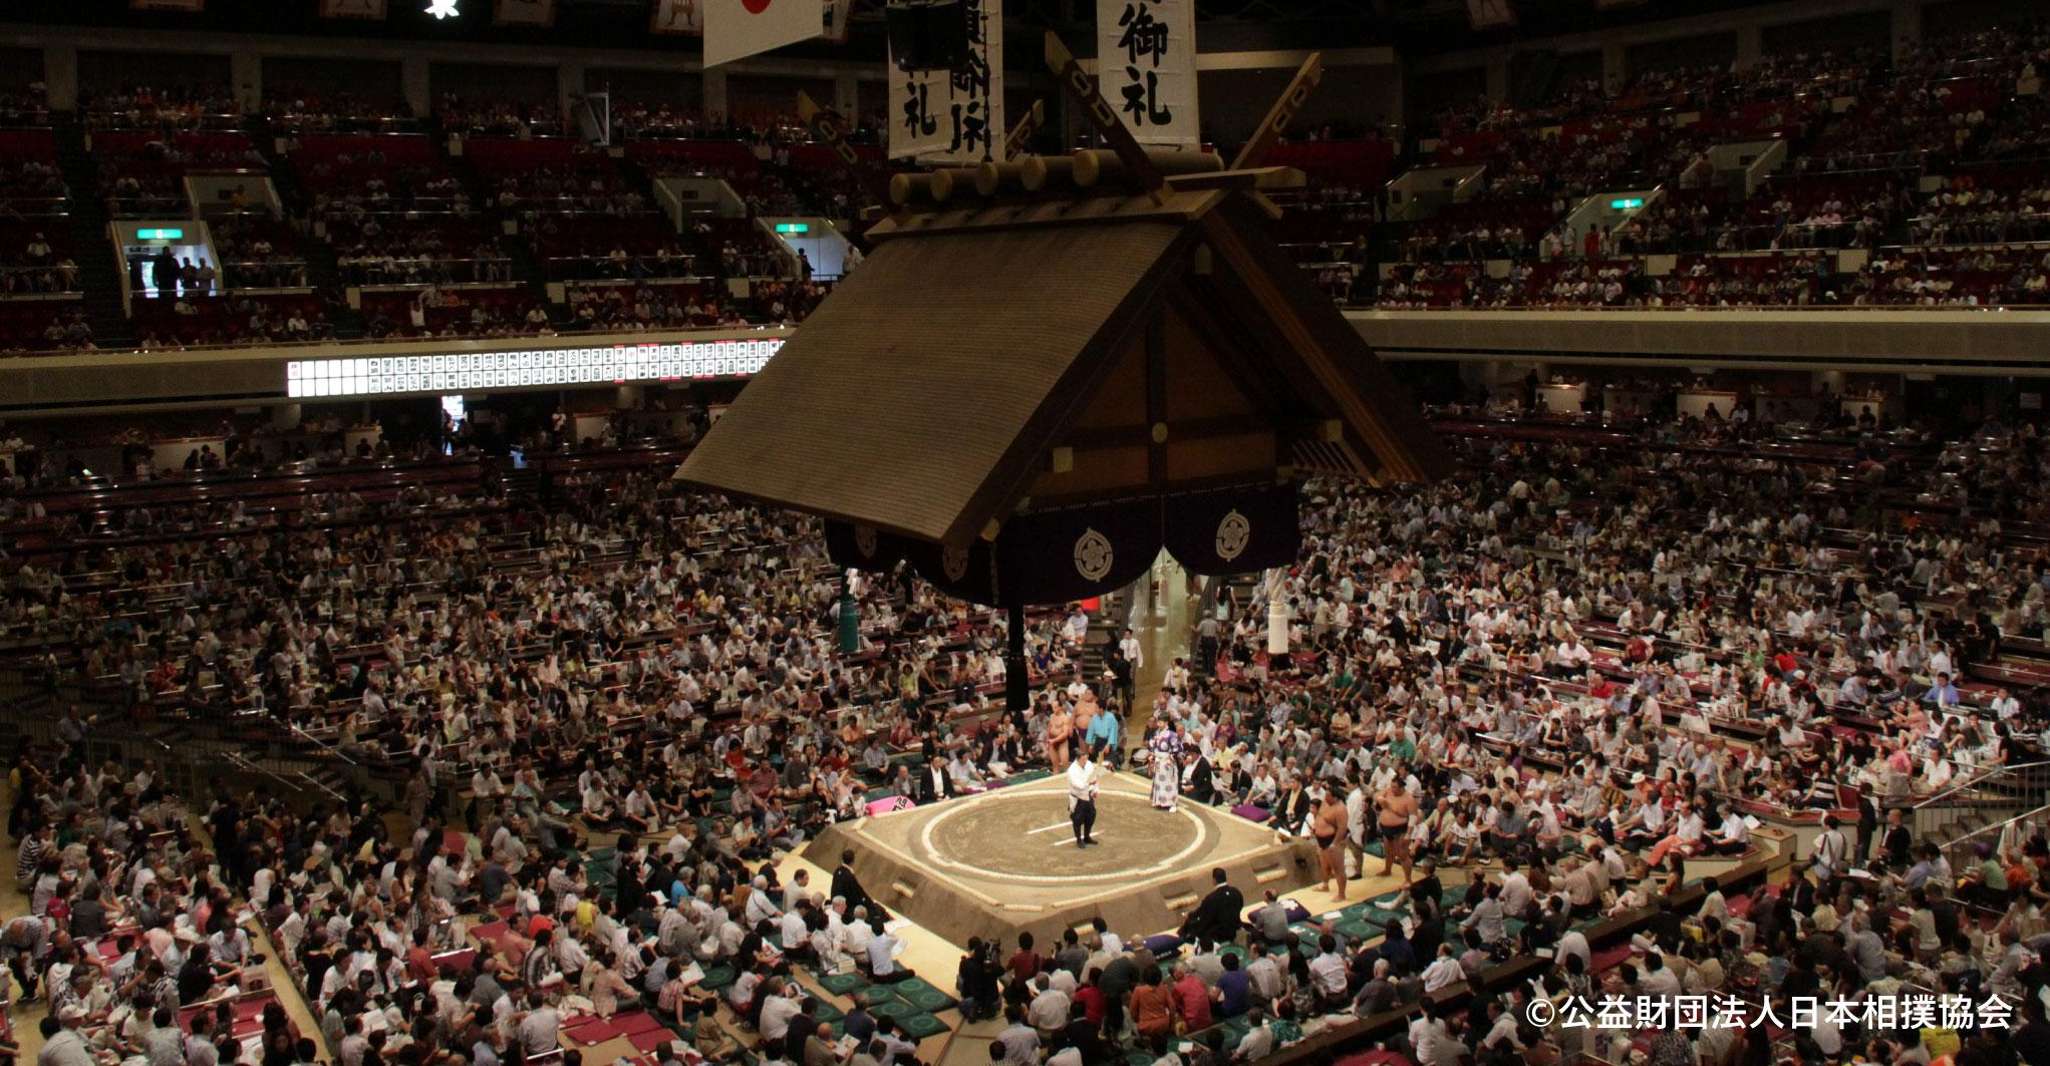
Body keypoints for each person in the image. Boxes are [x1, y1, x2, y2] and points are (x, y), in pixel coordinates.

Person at [1181, 868, 1245, 946]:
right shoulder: (1236, 892)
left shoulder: (1211, 898)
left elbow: (1203, 915)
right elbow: (1241, 905)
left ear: (1214, 880)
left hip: (1218, 933)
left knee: (1190, 926)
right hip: (1235, 926)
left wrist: (1190, 916)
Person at [1313, 782, 1350, 900]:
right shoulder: (1325, 802)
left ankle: (1341, 894)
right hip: (1321, 840)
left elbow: (1342, 828)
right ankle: (1325, 885)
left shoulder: (1340, 809)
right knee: (1324, 864)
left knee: (1338, 868)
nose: (1325, 797)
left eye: (1328, 796)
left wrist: (1335, 843)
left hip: (1333, 840)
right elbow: (1319, 816)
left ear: (1335, 797)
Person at [1067, 743, 1101, 848]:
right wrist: (1089, 783)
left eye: (1086, 758)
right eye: (1083, 759)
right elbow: (1079, 785)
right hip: (1078, 798)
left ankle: (1087, 837)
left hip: (1088, 796)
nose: (1086, 761)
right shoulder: (1072, 770)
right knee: (1077, 820)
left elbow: (1095, 777)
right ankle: (1078, 839)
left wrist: (1095, 790)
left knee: (1091, 817)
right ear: (1077, 759)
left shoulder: (1089, 764)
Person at [1146, 719, 1183, 812]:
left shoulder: (1172, 734)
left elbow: (1177, 748)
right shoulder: (1157, 733)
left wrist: (1171, 758)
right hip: (1159, 760)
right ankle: (1160, 801)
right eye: (1158, 722)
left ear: (1166, 723)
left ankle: (1172, 803)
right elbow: (1152, 745)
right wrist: (1152, 755)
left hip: (1167, 761)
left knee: (1169, 782)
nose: (1158, 724)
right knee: (1159, 782)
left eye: (1161, 722)